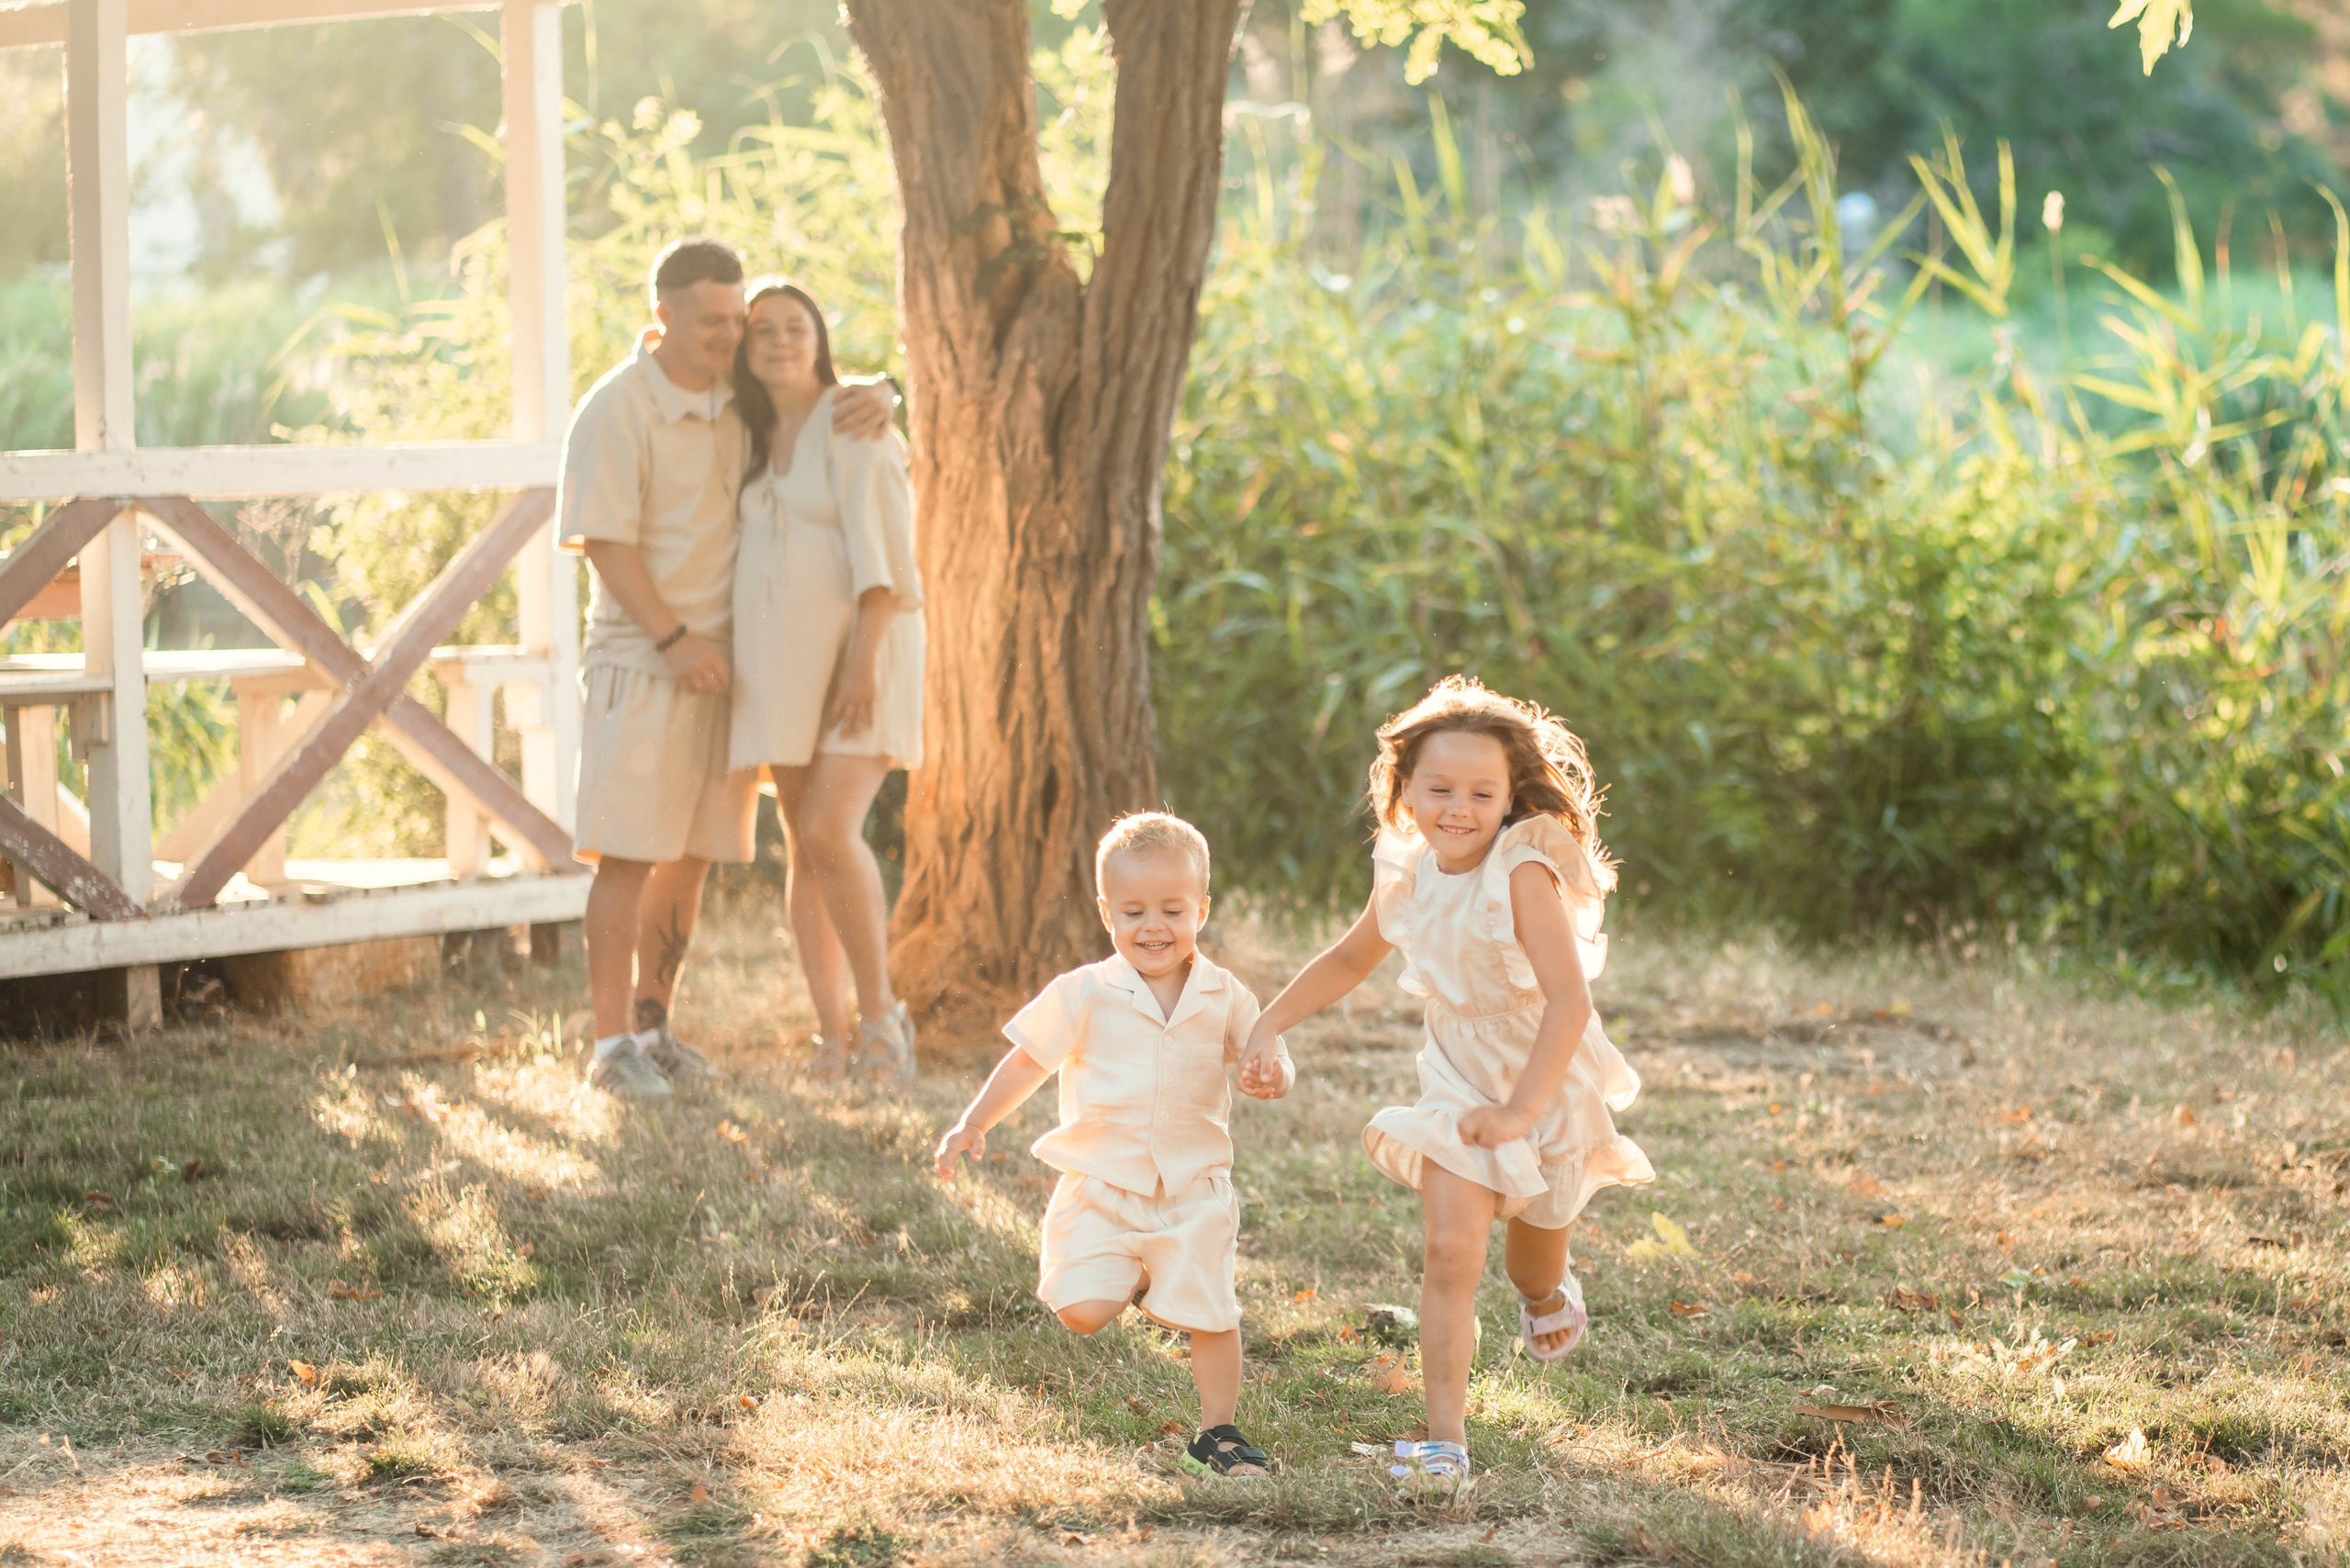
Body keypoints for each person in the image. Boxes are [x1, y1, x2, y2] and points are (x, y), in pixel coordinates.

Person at [1237, 677, 1651, 1495]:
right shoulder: (1410, 869)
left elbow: (1570, 1003)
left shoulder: (1522, 868)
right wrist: (1268, 1023)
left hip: (1544, 1076)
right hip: (1459, 1083)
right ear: (1404, 790)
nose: (1457, 807)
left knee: (1532, 1257)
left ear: (1508, 797)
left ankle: (1544, 1297)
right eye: (1438, 788)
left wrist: (1523, 1110)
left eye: (1480, 792)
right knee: (1451, 1250)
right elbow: (1352, 958)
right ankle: (1446, 1443)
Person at [560, 238, 893, 1097]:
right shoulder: (616, 409)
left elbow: (822, 404)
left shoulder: (736, 400)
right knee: (627, 855)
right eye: (711, 321)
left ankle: (652, 1027)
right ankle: (606, 1050)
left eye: (734, 321)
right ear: (661, 312)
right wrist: (674, 642)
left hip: (730, 671)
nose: (729, 336)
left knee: (690, 857)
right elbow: (604, 541)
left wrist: (890, 392)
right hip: (648, 659)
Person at [933, 813, 1294, 1478]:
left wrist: (1269, 1076)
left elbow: (1269, 1058)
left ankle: (1219, 1431)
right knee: (1081, 1313)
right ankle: (1131, 1274)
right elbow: (1025, 1063)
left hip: (1193, 1189)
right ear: (1107, 913)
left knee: (1212, 1311)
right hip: (1101, 1186)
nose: (1152, 926)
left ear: (1202, 910)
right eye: (1133, 911)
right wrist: (973, 1123)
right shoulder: (1086, 992)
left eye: (1172, 910)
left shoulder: (1223, 993)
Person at [730, 278, 924, 1081]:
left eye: (795, 326)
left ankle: (882, 1022)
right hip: (783, 668)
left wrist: (862, 665)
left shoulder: (854, 423)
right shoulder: (745, 431)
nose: (779, 340)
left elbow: (887, 563)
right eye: (761, 329)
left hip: (862, 657)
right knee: (801, 851)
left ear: (820, 337)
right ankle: (831, 1038)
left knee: (827, 831)